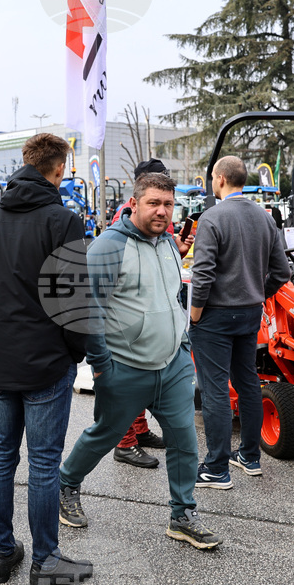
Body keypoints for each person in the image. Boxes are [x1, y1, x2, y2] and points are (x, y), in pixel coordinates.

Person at [58, 172, 222, 550]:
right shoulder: (106, 247)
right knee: (105, 435)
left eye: (168, 204)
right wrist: (101, 366)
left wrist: (182, 345)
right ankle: (66, 483)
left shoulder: (167, 243)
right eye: (154, 203)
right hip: (125, 367)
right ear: (134, 204)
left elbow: (168, 297)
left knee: (184, 440)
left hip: (173, 364)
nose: (163, 211)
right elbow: (90, 311)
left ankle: (182, 515)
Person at [0, 133, 93, 585]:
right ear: (58, 169)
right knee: (42, 463)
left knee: (1, 455)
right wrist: (74, 352)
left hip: (1, 361)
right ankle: (45, 560)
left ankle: (2, 552)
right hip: (45, 362)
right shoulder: (63, 221)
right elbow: (74, 302)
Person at [189, 156, 291, 490]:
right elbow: (282, 272)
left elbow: (202, 273)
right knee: (247, 382)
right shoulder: (264, 218)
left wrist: (195, 313)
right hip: (250, 312)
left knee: (215, 387)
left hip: (215, 314)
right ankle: (249, 456)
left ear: (219, 179)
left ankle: (216, 468)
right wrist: (258, 294)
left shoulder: (212, 217)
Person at [105, 158, 184, 469]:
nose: (162, 207)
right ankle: (124, 444)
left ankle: (139, 431)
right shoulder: (124, 218)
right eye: (155, 196)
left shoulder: (156, 211)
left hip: (152, 309)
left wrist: (177, 248)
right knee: (127, 385)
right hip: (131, 314)